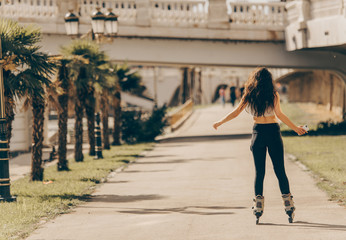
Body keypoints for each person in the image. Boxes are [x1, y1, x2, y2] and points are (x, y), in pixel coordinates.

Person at [212, 67, 307, 224]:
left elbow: (236, 112)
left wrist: (220, 122)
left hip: (258, 133)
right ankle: (288, 204)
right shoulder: (273, 94)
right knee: (280, 171)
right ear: (269, 80)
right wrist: (296, 128)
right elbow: (280, 115)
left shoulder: (249, 95)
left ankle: (258, 206)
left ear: (253, 80)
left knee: (259, 172)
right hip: (273, 132)